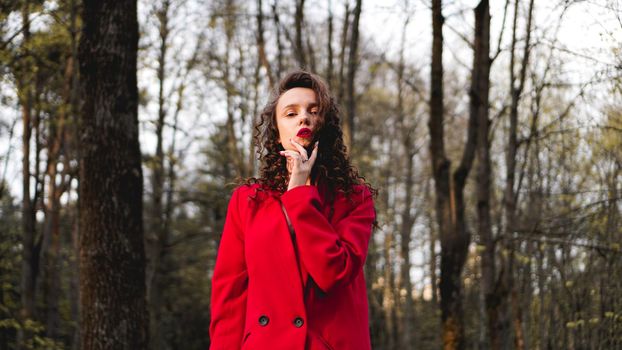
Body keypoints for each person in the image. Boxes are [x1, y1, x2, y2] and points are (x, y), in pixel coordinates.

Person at [209, 70, 377, 350]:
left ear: (326, 126)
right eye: (291, 113)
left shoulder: (354, 199)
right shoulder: (247, 201)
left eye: (314, 111)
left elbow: (333, 273)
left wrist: (300, 193)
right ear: (276, 134)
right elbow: (229, 298)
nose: (304, 118)